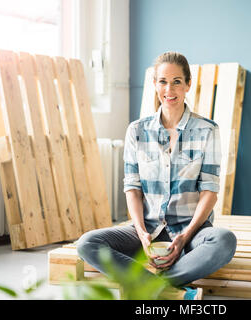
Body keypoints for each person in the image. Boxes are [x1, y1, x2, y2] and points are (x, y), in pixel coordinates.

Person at [77, 51, 237, 300]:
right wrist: (141, 232)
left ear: (187, 85)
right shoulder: (137, 131)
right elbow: (132, 187)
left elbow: (210, 191)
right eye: (162, 81)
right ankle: (166, 288)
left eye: (176, 81)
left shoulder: (208, 130)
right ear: (154, 84)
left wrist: (185, 237)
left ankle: (150, 284)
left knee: (224, 241)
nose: (169, 89)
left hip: (191, 230)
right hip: (148, 227)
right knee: (87, 243)